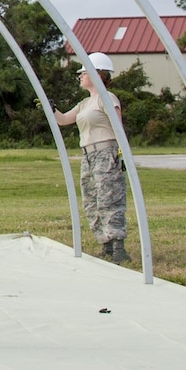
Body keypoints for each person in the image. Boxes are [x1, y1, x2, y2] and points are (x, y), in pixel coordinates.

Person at [56, 53, 130, 263]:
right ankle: (105, 243)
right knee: (91, 200)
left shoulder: (107, 98)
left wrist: (121, 155)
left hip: (106, 153)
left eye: (83, 72)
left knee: (110, 198)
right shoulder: (84, 104)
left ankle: (117, 246)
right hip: (88, 155)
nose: (79, 76)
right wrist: (50, 108)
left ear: (97, 74)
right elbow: (63, 120)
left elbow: (118, 127)